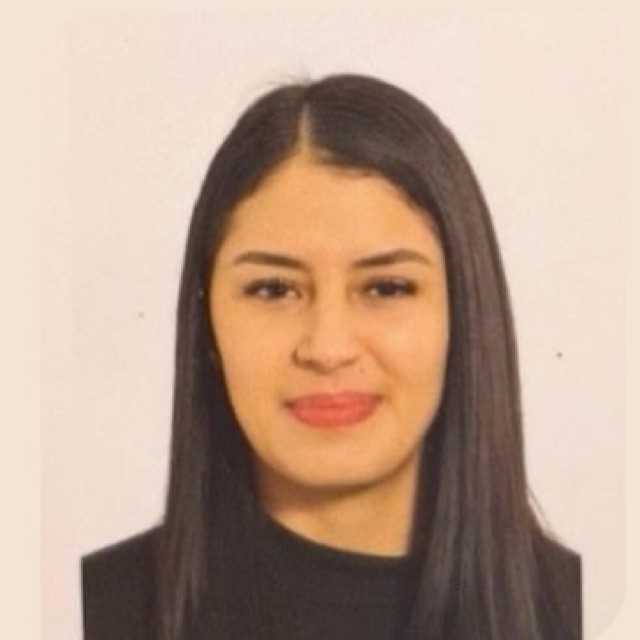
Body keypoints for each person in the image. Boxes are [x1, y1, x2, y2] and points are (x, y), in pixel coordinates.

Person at [81, 72, 581, 640]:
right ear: (207, 324)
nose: (327, 348)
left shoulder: (589, 610)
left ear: (463, 315)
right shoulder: (76, 612)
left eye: (387, 288)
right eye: (273, 289)